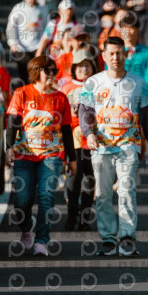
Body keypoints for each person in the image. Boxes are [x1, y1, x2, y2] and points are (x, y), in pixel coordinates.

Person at [79, 36, 148, 257]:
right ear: (104, 56)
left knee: (126, 190)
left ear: (126, 55)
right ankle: (108, 237)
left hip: (128, 145)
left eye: (119, 53)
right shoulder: (93, 82)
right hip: (101, 146)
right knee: (103, 194)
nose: (115, 57)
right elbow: (84, 112)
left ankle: (127, 236)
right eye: (111, 53)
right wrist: (88, 134)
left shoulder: (138, 83)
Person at [5, 56, 77, 256]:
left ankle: (42, 240)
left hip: (52, 154)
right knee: (22, 200)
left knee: (47, 196)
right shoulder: (22, 93)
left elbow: (66, 130)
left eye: (55, 71)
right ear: (37, 72)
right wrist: (9, 148)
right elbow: (13, 122)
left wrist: (72, 159)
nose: (52, 74)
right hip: (24, 154)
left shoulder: (61, 98)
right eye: (48, 71)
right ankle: (26, 226)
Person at [62, 48, 97, 231]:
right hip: (73, 139)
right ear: (74, 69)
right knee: (74, 178)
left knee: (90, 179)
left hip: (94, 139)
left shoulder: (99, 86)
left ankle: (85, 218)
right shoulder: (66, 88)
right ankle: (71, 215)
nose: (83, 69)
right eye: (79, 66)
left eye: (87, 65)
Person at [6, 0, 48, 85]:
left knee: (36, 73)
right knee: (23, 74)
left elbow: (47, 27)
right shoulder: (18, 8)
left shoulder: (42, 9)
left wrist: (44, 44)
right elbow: (10, 27)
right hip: (21, 47)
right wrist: (12, 42)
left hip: (37, 46)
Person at [120, 11, 148, 97]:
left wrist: (141, 92)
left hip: (140, 96)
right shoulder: (115, 52)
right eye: (124, 28)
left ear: (137, 30)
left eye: (131, 28)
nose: (127, 32)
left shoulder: (147, 53)